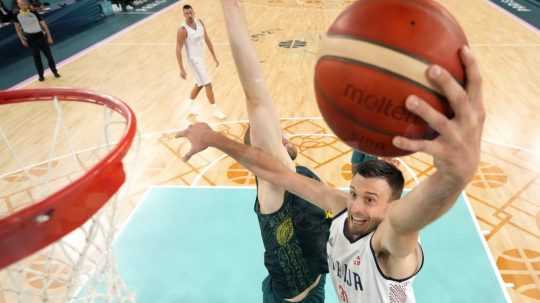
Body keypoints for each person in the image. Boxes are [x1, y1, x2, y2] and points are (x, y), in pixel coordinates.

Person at [176, 20, 485, 302]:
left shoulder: (391, 244)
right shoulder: (341, 208)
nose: (356, 206)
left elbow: (411, 219)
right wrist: (214, 138)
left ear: (392, 207)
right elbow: (271, 168)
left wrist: (453, 177)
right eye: (354, 194)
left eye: (369, 199)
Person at [179, 1, 332, 302]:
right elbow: (255, 92)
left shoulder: (300, 175)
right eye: (276, 139)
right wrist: (232, 9)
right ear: (264, 154)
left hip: (316, 285)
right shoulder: (276, 184)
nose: (283, 139)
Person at [176, 4, 226, 120]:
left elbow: (207, 39)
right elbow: (178, 48)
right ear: (183, 15)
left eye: (190, 12)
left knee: (199, 84)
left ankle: (189, 106)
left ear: (194, 12)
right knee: (207, 83)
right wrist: (181, 68)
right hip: (193, 60)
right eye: (186, 13)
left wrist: (214, 56)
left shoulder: (200, 22)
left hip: (201, 58)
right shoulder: (182, 30)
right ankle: (215, 110)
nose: (189, 15)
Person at [13, 0, 59, 81]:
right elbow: (17, 30)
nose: (23, 5)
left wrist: (49, 37)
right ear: (18, 5)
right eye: (21, 4)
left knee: (49, 56)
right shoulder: (16, 15)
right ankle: (41, 76)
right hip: (31, 39)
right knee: (37, 58)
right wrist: (22, 40)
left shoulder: (34, 12)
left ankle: (55, 72)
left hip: (41, 37)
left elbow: (44, 24)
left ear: (27, 4)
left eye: (24, 3)